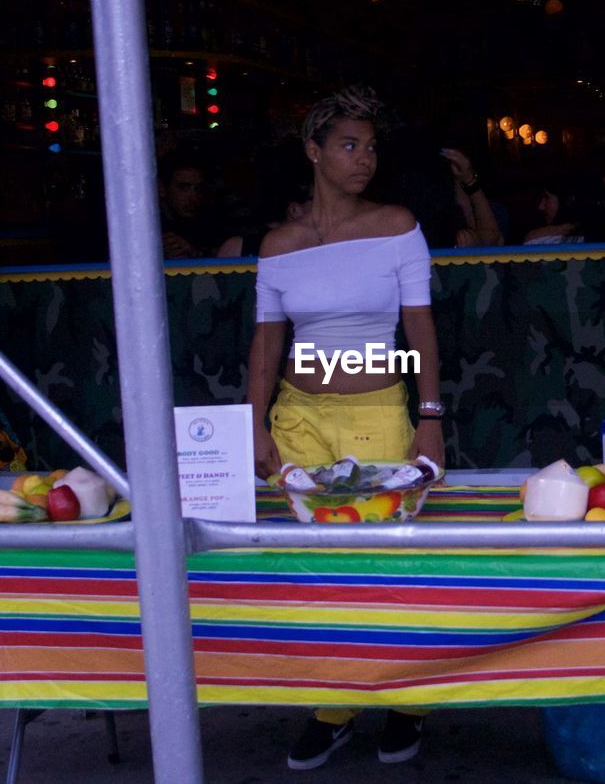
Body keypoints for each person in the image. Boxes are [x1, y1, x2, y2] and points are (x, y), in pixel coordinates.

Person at [244, 86, 445, 771]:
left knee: (387, 559)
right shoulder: (279, 243)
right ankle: (335, 705)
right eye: (350, 145)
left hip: (375, 410)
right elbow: (266, 344)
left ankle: (408, 700)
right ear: (314, 152)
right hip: (298, 413)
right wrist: (254, 425)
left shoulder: (396, 224)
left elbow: (419, 326)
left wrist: (430, 417)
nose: (365, 158)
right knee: (316, 566)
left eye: (371, 146)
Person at [158, 151, 228, 259]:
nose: (193, 197)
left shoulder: (209, 218)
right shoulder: (148, 224)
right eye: (183, 187)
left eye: (198, 189)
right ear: (162, 189)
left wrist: (194, 253)